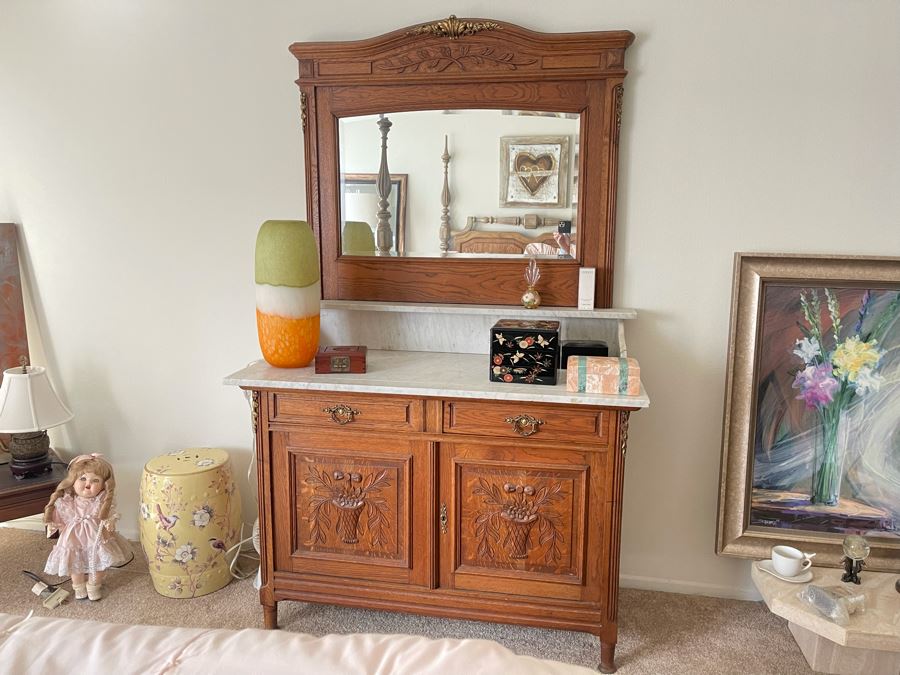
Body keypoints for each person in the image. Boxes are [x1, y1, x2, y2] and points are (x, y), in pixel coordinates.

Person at [43, 453, 131, 601]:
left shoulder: (101, 500)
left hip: (96, 537)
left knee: (98, 564)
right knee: (74, 564)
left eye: (95, 480)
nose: (88, 484)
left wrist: (110, 521)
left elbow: (110, 513)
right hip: (73, 538)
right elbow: (60, 516)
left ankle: (93, 585)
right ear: (72, 481)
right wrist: (53, 523)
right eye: (82, 478)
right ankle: (79, 588)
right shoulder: (67, 500)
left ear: (103, 485)